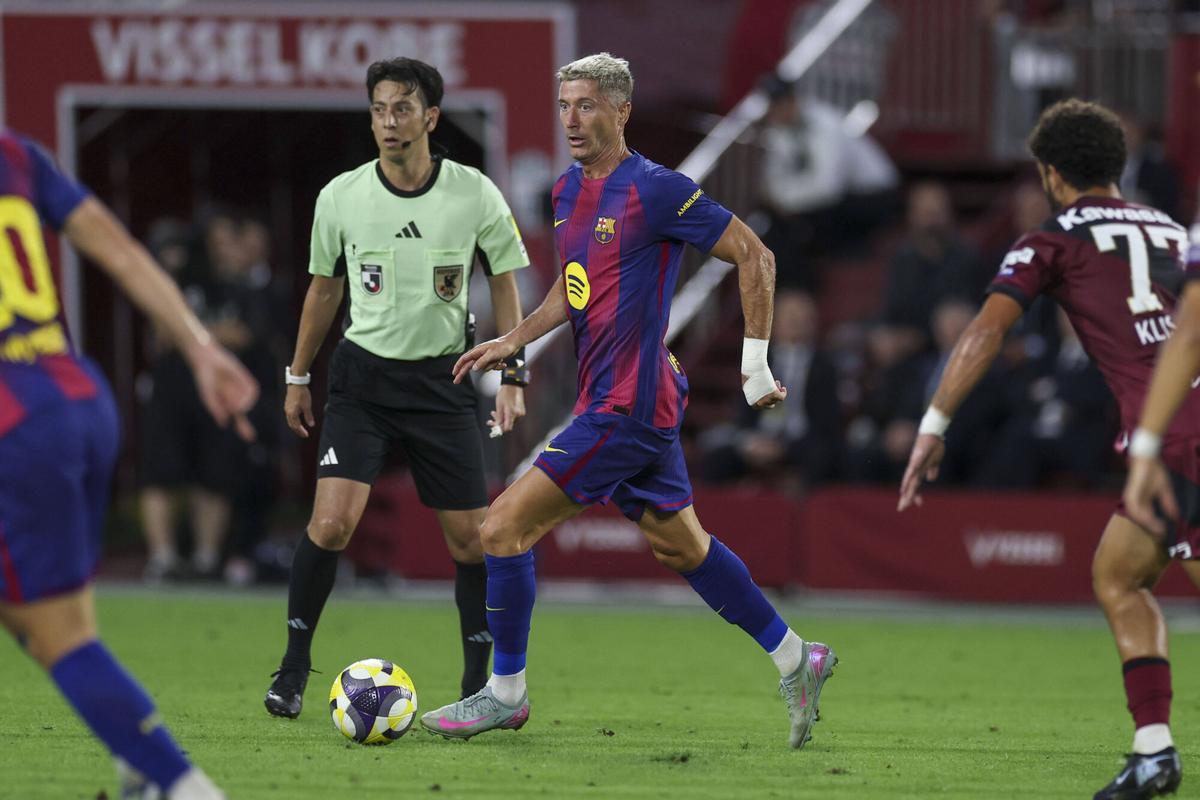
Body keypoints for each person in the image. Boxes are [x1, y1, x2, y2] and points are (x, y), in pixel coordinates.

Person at [419, 52, 838, 750]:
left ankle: (505, 693)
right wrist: (514, 340)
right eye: (563, 106)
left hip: (629, 404)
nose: (571, 120)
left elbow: (755, 255)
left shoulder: (658, 189)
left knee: (499, 530)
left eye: (586, 105)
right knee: (682, 547)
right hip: (624, 396)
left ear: (622, 111)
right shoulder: (566, 192)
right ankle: (799, 657)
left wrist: (754, 365)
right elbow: (574, 285)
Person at [897, 99, 1190, 800]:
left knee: (1121, 579)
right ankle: (1154, 750)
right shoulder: (1177, 230)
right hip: (1181, 433)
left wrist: (934, 423)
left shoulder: (1051, 238)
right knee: (1118, 574)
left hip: (1181, 436)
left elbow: (984, 333)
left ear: (1052, 174)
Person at [264, 57, 530, 718]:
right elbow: (324, 290)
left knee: (472, 541)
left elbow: (504, 281)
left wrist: (513, 371)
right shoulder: (342, 197)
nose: (389, 121)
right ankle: (294, 668)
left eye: (402, 108)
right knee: (330, 524)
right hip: (362, 381)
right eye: (379, 108)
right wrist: (299, 375)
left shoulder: (474, 194)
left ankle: (480, 688)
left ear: (430, 117)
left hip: (444, 383)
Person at [0, 131, 258, 798]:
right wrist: (201, 349)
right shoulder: (14, 153)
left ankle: (181, 784)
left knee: (57, 635)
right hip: (78, 400)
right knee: (49, 621)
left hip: (13, 427)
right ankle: (140, 763)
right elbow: (118, 249)